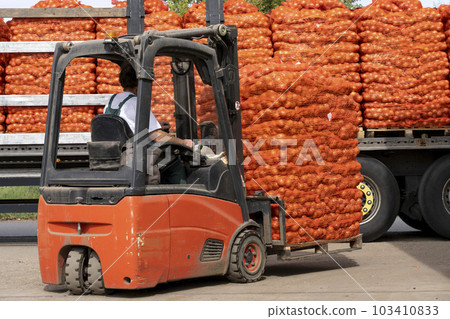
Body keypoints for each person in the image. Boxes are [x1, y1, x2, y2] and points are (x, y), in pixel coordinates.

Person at [104, 62, 192, 184]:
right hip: (135, 158)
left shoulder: (112, 100)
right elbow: (157, 137)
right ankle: (182, 197)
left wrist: (157, 126)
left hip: (117, 154)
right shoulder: (136, 102)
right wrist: (184, 142)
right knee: (175, 161)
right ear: (140, 83)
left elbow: (125, 126)